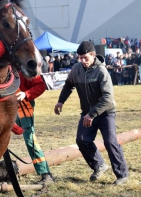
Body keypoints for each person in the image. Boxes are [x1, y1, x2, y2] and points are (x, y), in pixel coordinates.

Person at [53, 41, 129, 185]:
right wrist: (60, 101)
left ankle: (122, 175)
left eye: (85, 58)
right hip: (87, 113)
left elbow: (108, 98)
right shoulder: (76, 69)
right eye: (80, 58)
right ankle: (99, 165)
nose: (82, 61)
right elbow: (69, 85)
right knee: (82, 140)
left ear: (93, 55)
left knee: (110, 141)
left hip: (105, 113)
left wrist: (92, 114)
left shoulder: (101, 72)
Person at [16, 72, 54, 183]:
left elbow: (41, 86)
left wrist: (25, 94)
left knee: (30, 140)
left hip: (22, 107)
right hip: (3, 106)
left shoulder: (23, 69)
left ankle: (45, 173)